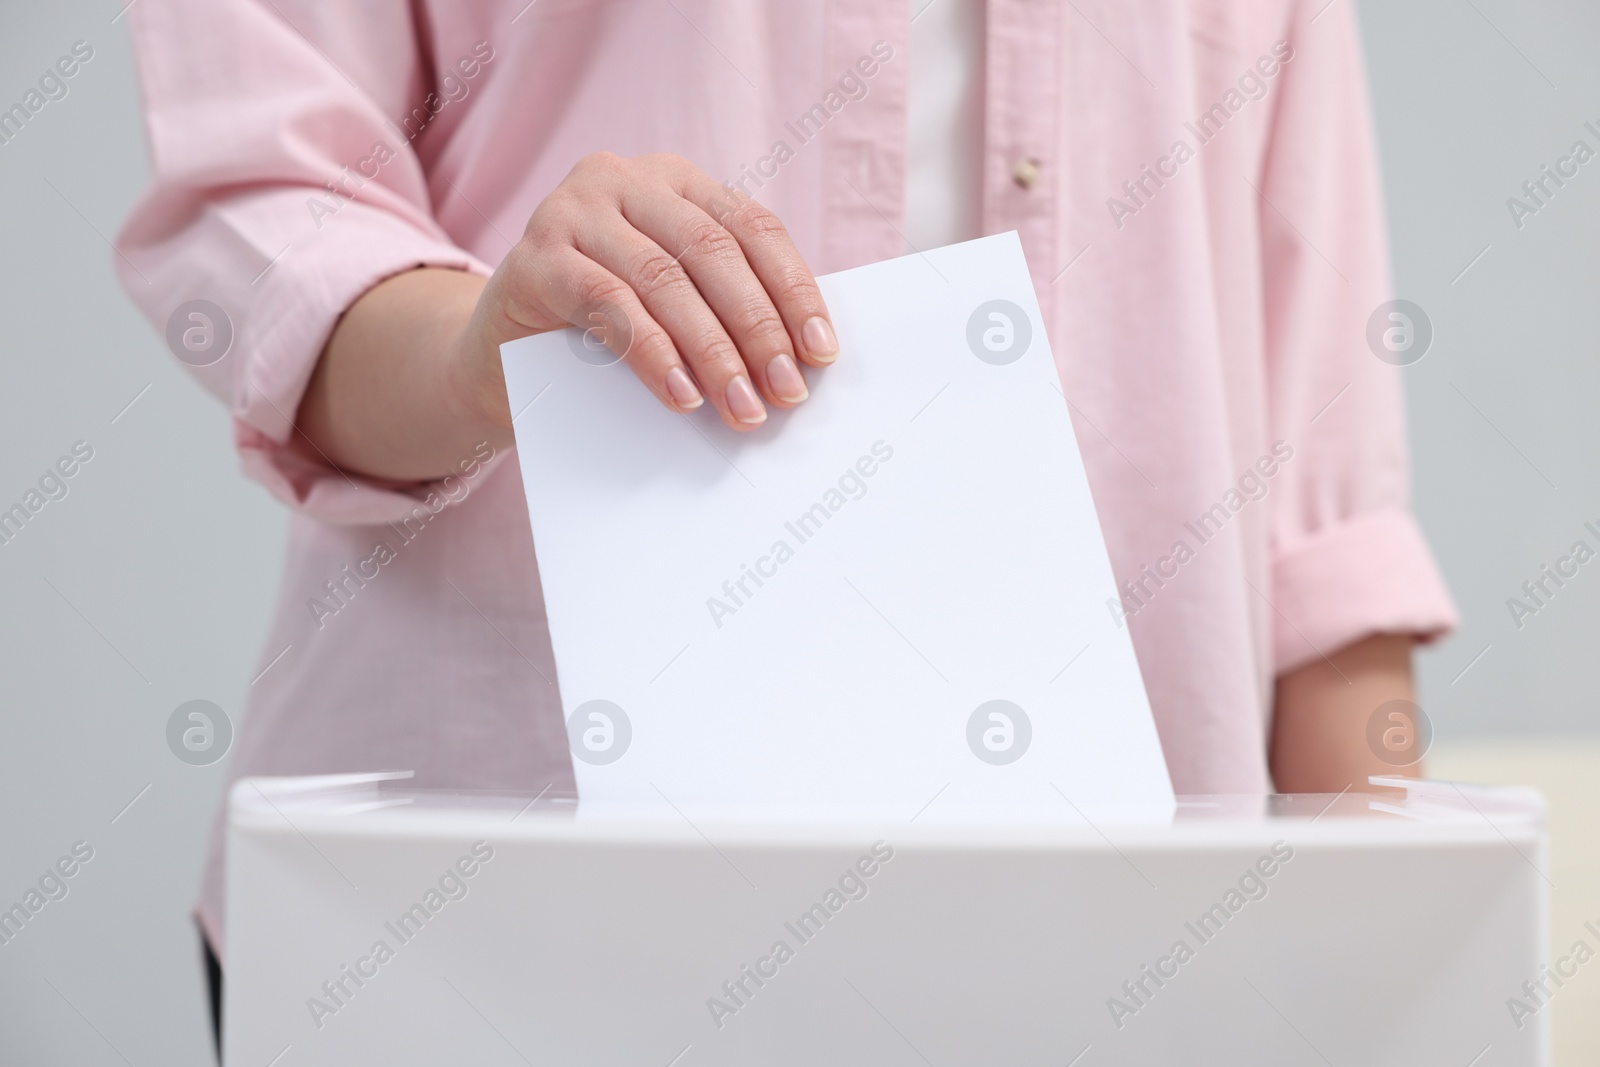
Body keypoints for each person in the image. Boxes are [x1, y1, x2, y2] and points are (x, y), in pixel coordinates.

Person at [115, 0, 1456, 1053]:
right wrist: (480, 355)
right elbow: (270, 205)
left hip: (1112, 959)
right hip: (490, 926)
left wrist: (1392, 980)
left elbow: (1319, 501)